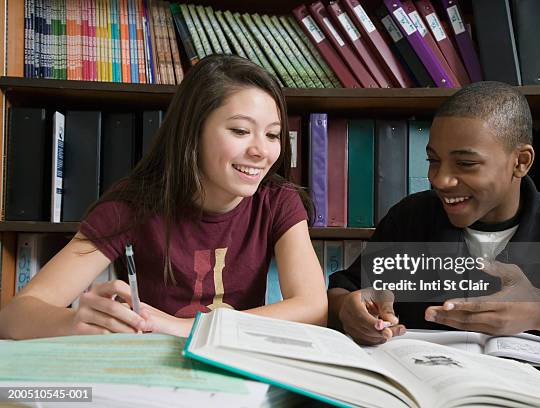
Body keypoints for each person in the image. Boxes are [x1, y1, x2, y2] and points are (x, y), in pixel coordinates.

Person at [0, 55, 327, 340]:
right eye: (240, 131)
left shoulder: (278, 200)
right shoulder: (133, 203)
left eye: (272, 134)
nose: (261, 151)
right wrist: (73, 321)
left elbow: (313, 309)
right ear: (192, 132)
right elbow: (14, 317)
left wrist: (184, 326)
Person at [328, 81, 540, 346]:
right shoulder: (411, 218)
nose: (441, 180)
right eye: (433, 161)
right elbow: (343, 293)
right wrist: (350, 310)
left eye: (465, 163)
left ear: (521, 162)